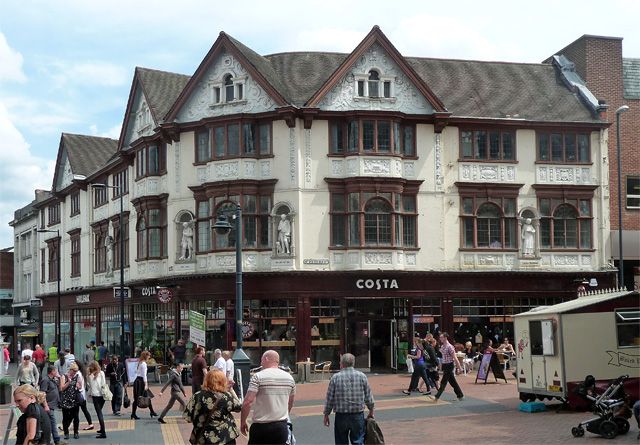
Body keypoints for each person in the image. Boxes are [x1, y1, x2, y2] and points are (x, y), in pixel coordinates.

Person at [241, 350, 296, 444]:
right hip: (280, 426)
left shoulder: (258, 376)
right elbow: (290, 402)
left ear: (266, 359)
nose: (261, 362)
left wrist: (243, 421)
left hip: (261, 426)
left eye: (262, 359)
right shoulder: (289, 378)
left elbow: (248, 402)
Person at [323, 353, 374, 445]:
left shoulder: (335, 377)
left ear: (341, 364)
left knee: (341, 441)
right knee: (358, 440)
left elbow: (330, 398)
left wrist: (326, 414)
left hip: (341, 415)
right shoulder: (362, 376)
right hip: (357, 415)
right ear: (353, 363)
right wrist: (371, 410)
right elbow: (368, 396)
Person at [184, 369, 242, 444]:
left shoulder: (197, 396)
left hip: (203, 439)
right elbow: (239, 407)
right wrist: (231, 390)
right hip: (225, 438)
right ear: (222, 382)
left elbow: (188, 418)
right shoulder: (226, 397)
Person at [433, 332, 464, 402]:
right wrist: (440, 366)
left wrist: (460, 368)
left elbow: (455, 358)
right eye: (440, 337)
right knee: (453, 382)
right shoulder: (442, 346)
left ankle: (437, 396)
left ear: (445, 338)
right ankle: (460, 395)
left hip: (449, 365)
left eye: (441, 337)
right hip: (445, 365)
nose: (440, 339)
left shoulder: (449, 347)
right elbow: (442, 357)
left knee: (443, 381)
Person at [39, 366, 66, 445]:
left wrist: (60, 378)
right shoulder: (45, 380)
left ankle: (50, 440)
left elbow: (60, 389)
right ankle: (55, 440)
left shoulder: (53, 380)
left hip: (53, 405)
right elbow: (42, 394)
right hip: (48, 406)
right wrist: (46, 405)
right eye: (56, 371)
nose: (57, 372)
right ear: (52, 371)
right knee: (51, 423)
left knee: (50, 423)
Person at [59, 363, 83, 440]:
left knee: (76, 417)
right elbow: (61, 388)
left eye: (76, 371)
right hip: (66, 399)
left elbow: (80, 386)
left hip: (74, 399)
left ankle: (76, 432)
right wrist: (69, 382)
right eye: (74, 371)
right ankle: (66, 433)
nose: (75, 373)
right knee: (65, 417)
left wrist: (78, 385)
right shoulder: (64, 376)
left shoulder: (77, 376)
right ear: (71, 370)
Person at [131, 350, 157, 419]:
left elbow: (136, 372)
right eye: (148, 355)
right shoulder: (144, 364)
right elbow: (144, 375)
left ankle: (151, 411)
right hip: (141, 382)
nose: (149, 357)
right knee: (144, 397)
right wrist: (146, 384)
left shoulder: (140, 362)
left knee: (138, 398)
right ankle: (151, 412)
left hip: (137, 381)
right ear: (146, 356)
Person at [86, 361, 108, 439]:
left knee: (99, 413)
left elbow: (89, 385)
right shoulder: (101, 373)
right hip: (102, 395)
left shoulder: (90, 375)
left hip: (95, 395)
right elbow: (104, 383)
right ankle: (102, 429)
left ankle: (103, 432)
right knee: (100, 412)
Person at [75, 360, 95, 431]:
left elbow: (78, 385)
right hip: (82, 395)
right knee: (84, 410)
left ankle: (70, 427)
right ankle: (90, 424)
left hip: (79, 395)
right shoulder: (81, 373)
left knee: (75, 412)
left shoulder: (78, 374)